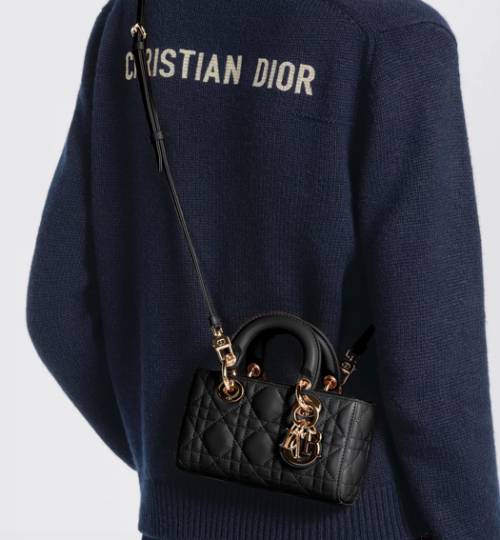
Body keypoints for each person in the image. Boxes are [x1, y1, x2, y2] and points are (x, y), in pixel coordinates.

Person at [27, 0, 500, 539]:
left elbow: (56, 310)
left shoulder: (132, 19)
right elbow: (433, 363)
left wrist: (181, 460)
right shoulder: (396, 37)